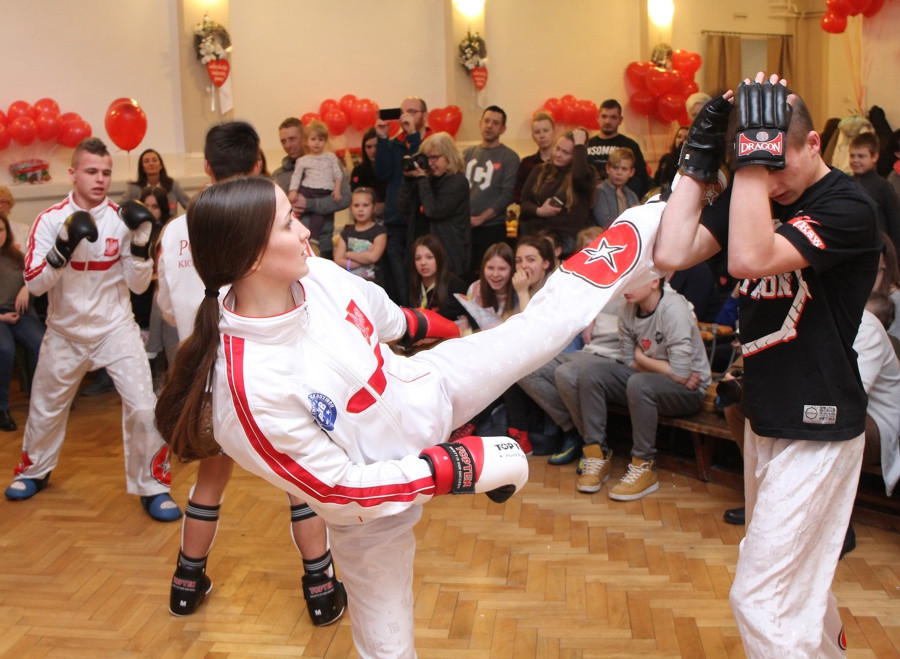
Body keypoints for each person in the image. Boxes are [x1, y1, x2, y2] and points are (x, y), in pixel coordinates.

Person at [154, 166, 672, 654]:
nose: (306, 230)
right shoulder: (246, 393)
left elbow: (390, 319)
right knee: (389, 650)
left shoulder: (319, 277)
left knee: (536, 330)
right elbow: (338, 489)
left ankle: (651, 219)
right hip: (370, 519)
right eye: (288, 224)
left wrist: (459, 332)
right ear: (249, 259)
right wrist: (451, 468)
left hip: (426, 388)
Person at [654, 73, 881, 656]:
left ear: (813, 146)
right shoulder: (756, 189)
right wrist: (701, 160)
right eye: (760, 166)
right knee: (799, 589)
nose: (771, 183)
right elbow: (672, 253)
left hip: (821, 427)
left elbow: (750, 257)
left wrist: (752, 159)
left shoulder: (847, 206)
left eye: (780, 165)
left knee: (760, 598)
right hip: (766, 418)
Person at [156, 121, 344, 623]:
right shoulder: (267, 231)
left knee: (209, 485)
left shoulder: (177, 229)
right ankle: (321, 588)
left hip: (208, 380)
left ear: (207, 169)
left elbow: (169, 312)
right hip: (267, 374)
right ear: (259, 167)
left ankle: (186, 583)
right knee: (299, 483)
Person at [5, 137, 181, 522]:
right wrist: (61, 249)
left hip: (115, 328)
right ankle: (34, 470)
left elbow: (137, 287)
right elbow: (35, 284)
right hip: (65, 331)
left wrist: (139, 245)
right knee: (45, 407)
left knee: (143, 406)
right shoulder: (50, 220)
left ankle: (153, 486)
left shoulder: (123, 217)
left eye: (105, 172)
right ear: (72, 173)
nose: (100, 179)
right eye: (91, 171)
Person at [574, 276, 711, 498]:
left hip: (690, 390)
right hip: (651, 378)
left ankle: (644, 465)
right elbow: (631, 361)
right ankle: (596, 455)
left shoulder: (673, 309)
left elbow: (682, 375)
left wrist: (647, 360)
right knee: (592, 373)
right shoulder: (627, 309)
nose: (625, 288)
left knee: (639, 383)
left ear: (654, 281)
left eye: (633, 282)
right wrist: (654, 363)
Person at [519, 297, 625, 468]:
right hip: (588, 352)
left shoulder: (648, 292)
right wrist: (592, 319)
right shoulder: (610, 290)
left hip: (614, 360)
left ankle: (595, 446)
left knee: (566, 373)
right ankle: (573, 431)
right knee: (527, 367)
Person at [375, 96, 431, 305]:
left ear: (425, 116)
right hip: (395, 221)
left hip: (422, 220)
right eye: (402, 112)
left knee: (421, 275)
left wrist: (413, 136)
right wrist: (382, 138)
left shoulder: (431, 142)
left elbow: (421, 165)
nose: (405, 116)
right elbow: (382, 174)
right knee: (398, 279)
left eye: (412, 112)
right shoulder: (394, 144)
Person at [273, 117, 350, 261]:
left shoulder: (329, 161)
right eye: (283, 141)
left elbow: (345, 198)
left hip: (321, 244)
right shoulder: (279, 174)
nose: (287, 145)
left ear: (304, 138)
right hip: (290, 247)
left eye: (292, 139)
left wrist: (309, 204)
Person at [398, 131, 471, 279]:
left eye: (435, 158)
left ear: (449, 157)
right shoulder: (425, 179)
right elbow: (402, 207)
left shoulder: (457, 181)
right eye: (427, 158)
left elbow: (434, 210)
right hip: (421, 255)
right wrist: (408, 180)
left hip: (448, 256)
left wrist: (422, 179)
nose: (430, 163)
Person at [463, 105, 520, 280]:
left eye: (495, 123)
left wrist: (481, 218)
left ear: (503, 129)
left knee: (489, 275)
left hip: (493, 228)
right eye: (486, 121)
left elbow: (507, 195)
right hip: (465, 228)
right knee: (466, 274)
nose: (489, 126)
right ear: (480, 123)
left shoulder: (509, 157)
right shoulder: (467, 154)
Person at [519, 128, 595, 256]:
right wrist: (540, 211)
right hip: (540, 235)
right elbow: (524, 204)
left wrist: (580, 144)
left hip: (568, 239)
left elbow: (578, 176)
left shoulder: (586, 173)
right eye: (557, 148)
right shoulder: (541, 170)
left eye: (566, 152)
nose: (559, 154)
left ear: (576, 155)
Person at [0, 214, 45, 431]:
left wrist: (27, 288)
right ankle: (2, 408)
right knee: (5, 349)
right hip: (0, 318)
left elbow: (35, 279)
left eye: (1, 230)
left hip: (21, 314)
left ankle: (42, 402)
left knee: (43, 343)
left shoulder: (17, 256)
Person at [287, 120, 344, 249]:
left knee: (318, 215)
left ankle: (314, 240)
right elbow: (296, 176)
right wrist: (293, 191)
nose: (317, 142)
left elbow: (337, 174)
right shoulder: (303, 160)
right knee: (294, 204)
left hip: (324, 191)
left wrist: (337, 189)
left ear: (325, 141)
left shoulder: (330, 157)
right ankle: (290, 225)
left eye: (321, 139)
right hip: (307, 188)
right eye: (313, 139)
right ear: (307, 141)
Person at [586, 99, 650, 199]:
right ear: (598, 118)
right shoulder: (587, 144)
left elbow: (641, 179)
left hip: (621, 201)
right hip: (589, 198)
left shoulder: (630, 145)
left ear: (620, 120)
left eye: (613, 117)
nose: (607, 121)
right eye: (604, 116)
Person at [849, 132, 900, 254]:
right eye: (852, 156)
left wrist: (893, 258)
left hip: (878, 253)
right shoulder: (845, 183)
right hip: (853, 250)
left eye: (861, 156)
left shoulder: (883, 186)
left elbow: (896, 226)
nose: (855, 160)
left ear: (874, 157)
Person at [407, 234, 467, 324]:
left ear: (439, 258)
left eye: (429, 257)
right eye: (418, 258)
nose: (423, 263)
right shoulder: (413, 285)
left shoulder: (455, 285)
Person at [333, 187, 387, 283]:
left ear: (374, 208)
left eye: (365, 205)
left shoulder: (379, 231)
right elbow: (338, 260)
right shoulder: (346, 233)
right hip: (350, 282)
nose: (360, 209)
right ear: (351, 207)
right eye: (356, 205)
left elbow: (373, 257)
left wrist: (347, 254)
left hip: (373, 282)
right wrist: (363, 260)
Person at [120, 148, 190, 217]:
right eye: (146, 161)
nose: (151, 164)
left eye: (154, 160)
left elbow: (190, 206)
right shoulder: (134, 188)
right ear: (142, 168)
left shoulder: (173, 184)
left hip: (169, 225)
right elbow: (119, 207)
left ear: (161, 165)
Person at [514, 111, 556, 204]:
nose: (542, 136)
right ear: (533, 137)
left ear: (554, 132)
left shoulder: (563, 161)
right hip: (532, 213)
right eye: (537, 132)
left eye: (546, 130)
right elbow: (518, 195)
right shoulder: (526, 163)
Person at [592, 147, 639, 229]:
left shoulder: (632, 195)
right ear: (607, 168)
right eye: (615, 167)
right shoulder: (599, 191)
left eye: (624, 169)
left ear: (631, 172)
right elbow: (604, 223)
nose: (619, 173)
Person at [350, 128, 386, 218]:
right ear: (364, 148)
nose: (373, 151)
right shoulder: (358, 170)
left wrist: (385, 206)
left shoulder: (392, 168)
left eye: (376, 146)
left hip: (390, 216)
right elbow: (354, 197)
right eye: (369, 147)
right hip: (365, 217)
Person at [652, 125, 689, 196]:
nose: (681, 140)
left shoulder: (690, 162)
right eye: (679, 137)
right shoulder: (666, 159)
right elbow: (656, 181)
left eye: (686, 138)